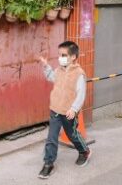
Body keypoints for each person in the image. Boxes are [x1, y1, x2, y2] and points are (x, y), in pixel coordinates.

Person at [37, 41, 91, 179]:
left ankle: (84, 151)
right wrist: (46, 66)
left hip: (68, 112)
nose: (60, 57)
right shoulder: (59, 70)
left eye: (64, 55)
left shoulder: (79, 74)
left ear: (73, 57)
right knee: (51, 137)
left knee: (72, 135)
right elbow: (51, 77)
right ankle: (48, 163)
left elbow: (81, 94)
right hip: (55, 109)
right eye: (59, 55)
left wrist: (74, 109)